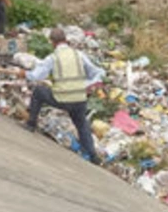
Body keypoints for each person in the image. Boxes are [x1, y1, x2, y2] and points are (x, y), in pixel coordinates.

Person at [22, 27, 106, 165]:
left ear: (53, 43)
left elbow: (37, 76)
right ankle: (93, 155)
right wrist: (87, 85)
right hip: (79, 98)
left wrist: (24, 74)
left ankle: (31, 124)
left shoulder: (53, 58)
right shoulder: (79, 55)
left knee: (39, 91)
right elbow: (98, 73)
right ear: (66, 41)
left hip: (62, 98)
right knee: (82, 124)